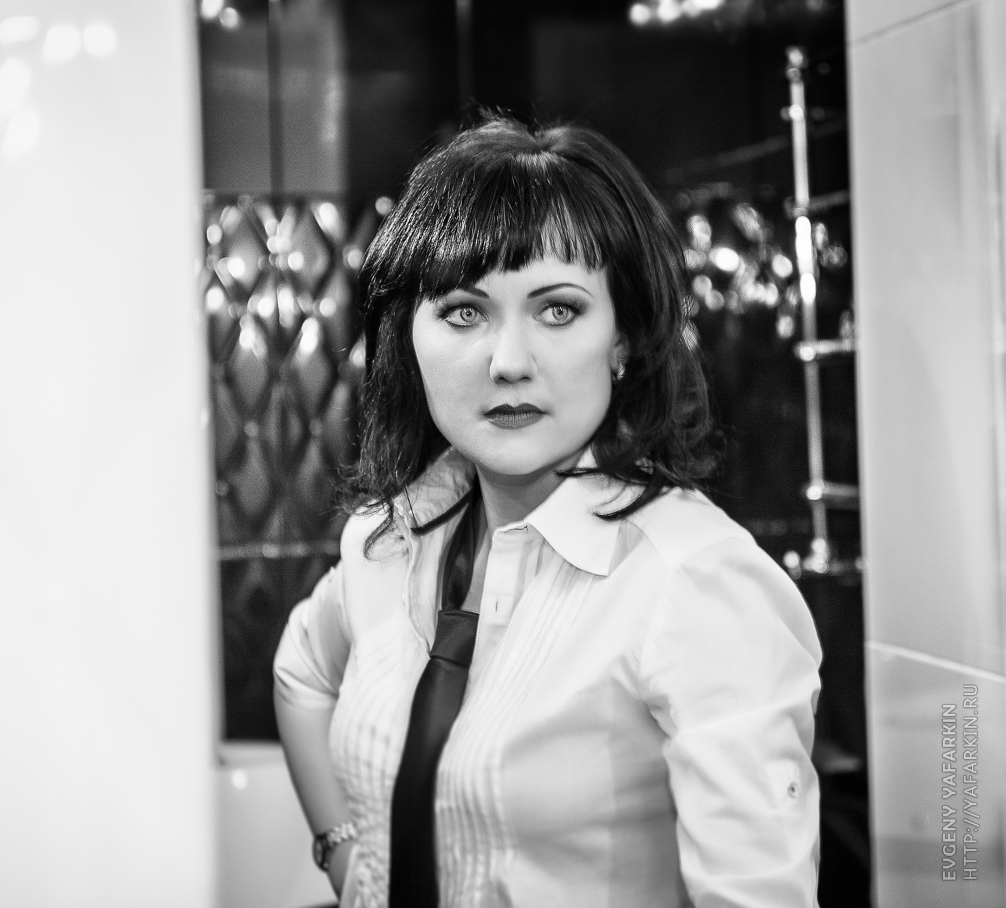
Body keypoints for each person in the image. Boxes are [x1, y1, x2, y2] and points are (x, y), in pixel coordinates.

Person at [272, 117, 822, 908]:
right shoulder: (391, 537)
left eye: (558, 310)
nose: (509, 362)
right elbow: (301, 670)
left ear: (623, 338)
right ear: (411, 337)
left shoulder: (695, 581)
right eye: (465, 312)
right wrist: (346, 856)